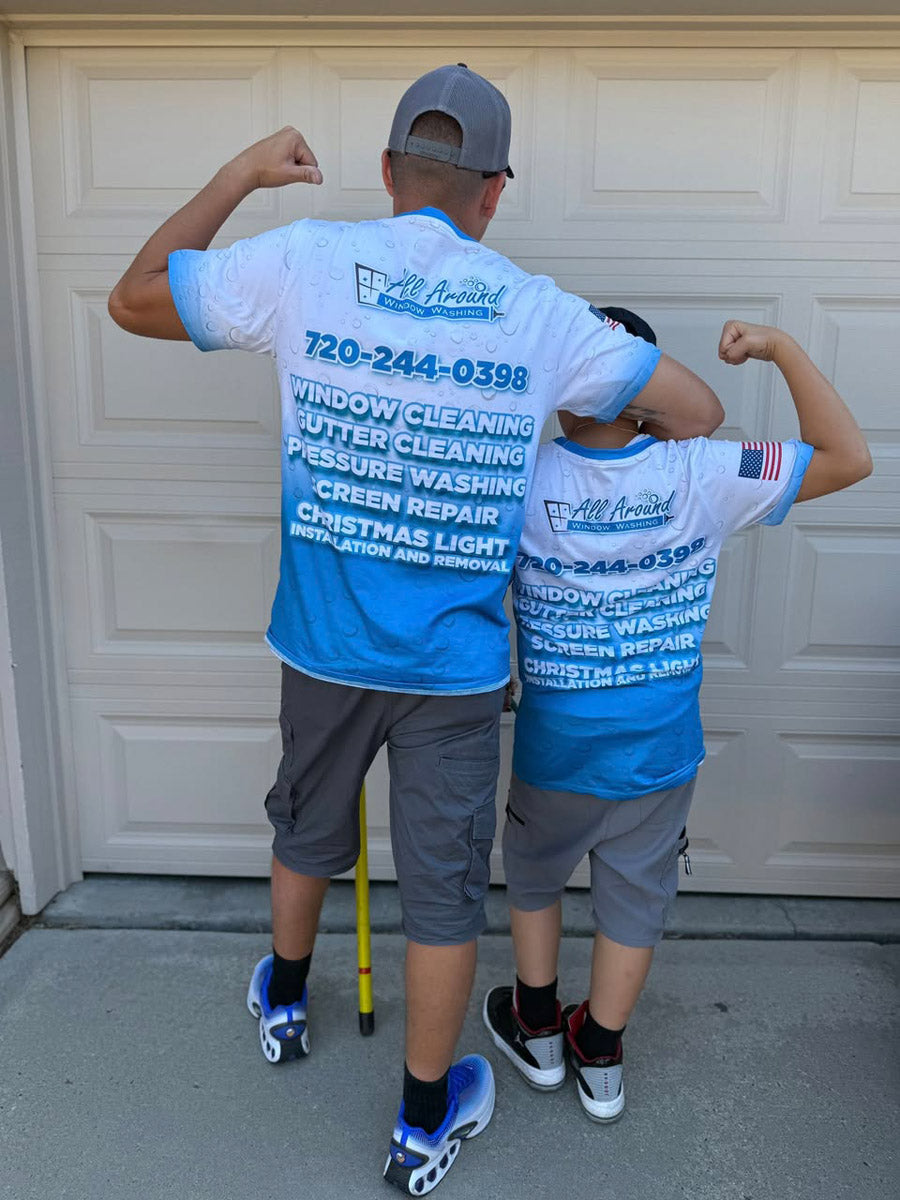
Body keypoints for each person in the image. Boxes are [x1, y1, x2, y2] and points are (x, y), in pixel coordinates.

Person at [108, 65, 722, 1194]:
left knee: (305, 827)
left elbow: (135, 293)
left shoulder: (301, 263)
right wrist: (548, 414)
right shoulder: (540, 314)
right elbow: (699, 411)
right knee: (441, 899)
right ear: (494, 192)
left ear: (391, 173)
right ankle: (420, 1124)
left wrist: (246, 172)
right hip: (452, 672)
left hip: (322, 648)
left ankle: (285, 1002)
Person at [483, 310, 872, 1124]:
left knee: (533, 874)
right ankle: (601, 1053)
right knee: (636, 894)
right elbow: (850, 458)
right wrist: (781, 347)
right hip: (660, 745)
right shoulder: (703, 470)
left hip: (557, 742)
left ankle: (538, 1028)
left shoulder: (517, 476)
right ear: (650, 395)